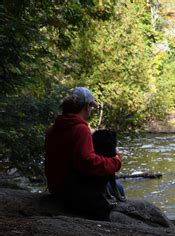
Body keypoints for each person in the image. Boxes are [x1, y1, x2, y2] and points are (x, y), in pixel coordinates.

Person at [44, 87, 122, 220]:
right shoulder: (80, 129)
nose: (91, 110)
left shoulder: (53, 128)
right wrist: (115, 161)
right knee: (108, 202)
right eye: (91, 107)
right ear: (86, 107)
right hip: (72, 192)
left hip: (56, 187)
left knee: (118, 187)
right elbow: (87, 162)